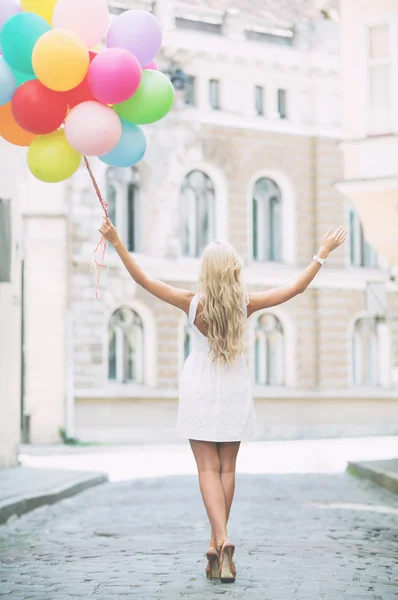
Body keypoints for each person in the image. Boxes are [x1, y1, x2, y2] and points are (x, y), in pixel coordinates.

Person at [99, 218, 347, 583]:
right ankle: (217, 544)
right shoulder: (245, 304)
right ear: (234, 270)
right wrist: (321, 254)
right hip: (233, 385)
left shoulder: (190, 302)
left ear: (205, 272)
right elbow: (295, 289)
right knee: (227, 469)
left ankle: (222, 539)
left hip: (199, 386)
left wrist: (118, 242)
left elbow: (143, 280)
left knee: (206, 469)